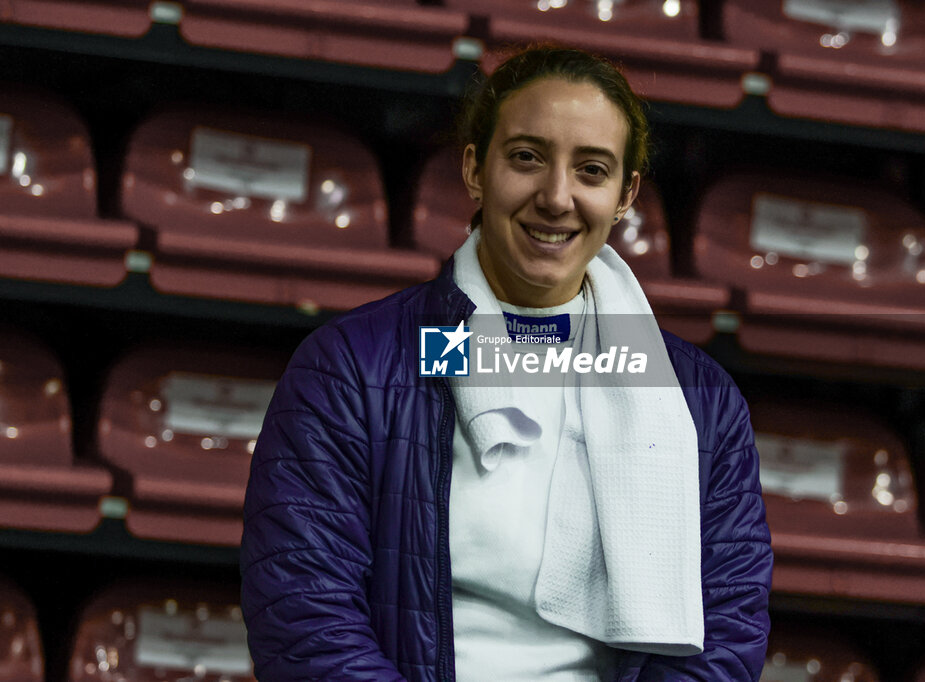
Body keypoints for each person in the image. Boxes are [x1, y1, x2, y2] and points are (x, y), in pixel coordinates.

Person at [241, 46, 772, 681]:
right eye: (526, 158)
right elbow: (304, 614)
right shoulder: (351, 369)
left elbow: (728, 626)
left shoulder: (698, 401)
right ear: (475, 170)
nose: (556, 197)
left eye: (592, 170)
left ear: (626, 193)